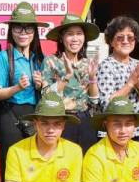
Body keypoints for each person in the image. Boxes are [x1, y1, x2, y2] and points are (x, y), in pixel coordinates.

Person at [0, 1, 46, 155]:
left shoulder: (40, 60)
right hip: (9, 116)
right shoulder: (2, 58)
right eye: (18, 27)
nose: (23, 33)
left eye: (28, 28)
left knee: (33, 161)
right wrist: (17, 88)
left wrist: (41, 86)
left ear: (34, 32)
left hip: (35, 115)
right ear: (11, 30)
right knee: (10, 159)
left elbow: (48, 92)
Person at [41, 17, 101, 149]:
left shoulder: (87, 63)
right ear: (61, 38)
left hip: (85, 120)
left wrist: (92, 77)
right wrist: (67, 76)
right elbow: (46, 95)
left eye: (79, 34)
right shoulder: (51, 61)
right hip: (61, 120)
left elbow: (94, 100)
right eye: (70, 34)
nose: (75, 39)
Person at [95, 16, 139, 147]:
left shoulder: (138, 64)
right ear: (111, 41)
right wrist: (130, 83)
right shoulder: (106, 66)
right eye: (120, 37)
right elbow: (107, 104)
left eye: (130, 37)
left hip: (135, 130)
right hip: (113, 132)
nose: (126, 41)